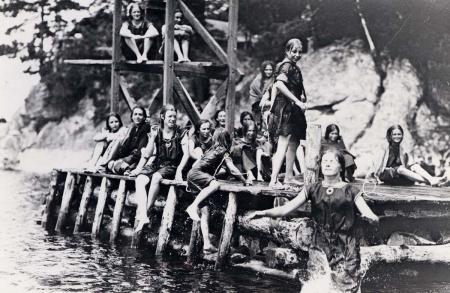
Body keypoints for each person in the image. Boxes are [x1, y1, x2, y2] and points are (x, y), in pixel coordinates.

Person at [247, 149, 379, 293]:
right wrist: (263, 213)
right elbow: (285, 209)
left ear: (341, 167)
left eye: (332, 161)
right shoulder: (313, 188)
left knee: (345, 288)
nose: (327, 164)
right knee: (316, 286)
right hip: (320, 245)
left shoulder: (351, 190)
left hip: (345, 246)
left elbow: (371, 215)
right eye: (324, 161)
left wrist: (371, 218)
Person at [130, 104, 188, 232]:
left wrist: (179, 170)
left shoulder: (181, 132)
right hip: (157, 163)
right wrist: (152, 139)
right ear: (163, 117)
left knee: (156, 177)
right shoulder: (157, 130)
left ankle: (145, 212)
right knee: (139, 179)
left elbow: (186, 154)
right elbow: (148, 154)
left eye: (174, 116)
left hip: (172, 165)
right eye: (169, 116)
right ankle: (144, 216)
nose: (172, 119)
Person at [186, 129, 252, 223]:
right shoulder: (223, 151)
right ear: (228, 139)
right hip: (197, 174)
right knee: (215, 185)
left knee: (205, 208)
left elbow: (194, 165)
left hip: (192, 174)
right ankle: (193, 206)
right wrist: (244, 181)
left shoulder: (210, 150)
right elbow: (232, 168)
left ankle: (205, 236)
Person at [267, 38, 307, 187]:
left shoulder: (293, 67)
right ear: (287, 51)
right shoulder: (286, 66)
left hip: (293, 109)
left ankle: (289, 177)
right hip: (286, 109)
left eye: (299, 52)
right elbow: (278, 85)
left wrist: (300, 97)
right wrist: (297, 101)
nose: (297, 54)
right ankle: (273, 180)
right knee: (283, 144)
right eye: (294, 51)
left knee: (294, 142)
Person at [372, 124, 445, 186]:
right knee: (400, 169)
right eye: (394, 134)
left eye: (399, 134)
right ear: (390, 136)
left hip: (398, 176)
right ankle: (430, 181)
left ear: (402, 135)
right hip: (385, 175)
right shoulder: (384, 147)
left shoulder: (401, 148)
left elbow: (411, 163)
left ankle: (431, 179)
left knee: (414, 166)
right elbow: (377, 165)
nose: (397, 136)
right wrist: (376, 177)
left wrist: (413, 166)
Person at [107, 106, 150, 175]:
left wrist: (123, 160)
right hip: (130, 158)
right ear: (132, 117)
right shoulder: (133, 129)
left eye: (140, 114)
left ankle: (126, 169)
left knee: (115, 165)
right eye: (135, 114)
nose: (137, 117)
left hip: (138, 159)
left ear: (144, 117)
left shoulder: (146, 128)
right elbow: (126, 147)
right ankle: (125, 169)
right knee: (111, 163)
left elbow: (140, 151)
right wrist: (118, 158)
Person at [249, 60, 275, 128]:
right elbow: (254, 89)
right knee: (258, 121)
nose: (268, 72)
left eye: (270, 70)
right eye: (266, 70)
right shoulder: (258, 78)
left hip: (268, 100)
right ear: (263, 70)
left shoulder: (274, 78)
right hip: (257, 101)